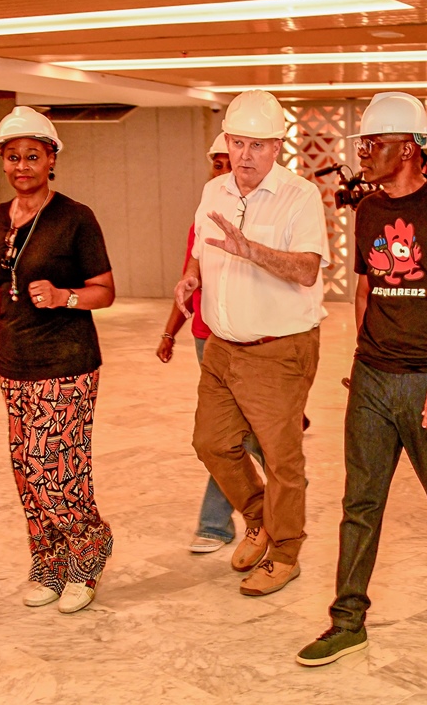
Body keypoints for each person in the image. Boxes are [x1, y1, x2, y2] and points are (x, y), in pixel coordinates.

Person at [296, 92, 427, 667]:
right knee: (360, 499)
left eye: (372, 143)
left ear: (408, 148)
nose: (363, 154)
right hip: (374, 377)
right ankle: (346, 618)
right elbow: (365, 288)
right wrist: (365, 357)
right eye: (363, 144)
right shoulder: (368, 210)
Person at [0, 106, 116, 613]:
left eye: (32, 156)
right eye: (13, 156)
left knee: (55, 470)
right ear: (3, 161)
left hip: (67, 363)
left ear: (51, 158)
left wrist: (64, 297)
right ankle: (49, 562)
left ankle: (89, 549)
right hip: (14, 364)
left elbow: (105, 291)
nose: (22, 166)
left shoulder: (75, 217)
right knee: (26, 472)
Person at [175, 90, 329, 597]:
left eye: (257, 145)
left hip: (278, 349)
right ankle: (261, 517)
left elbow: (307, 269)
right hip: (222, 347)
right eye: (238, 143)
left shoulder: (299, 196)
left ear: (277, 146)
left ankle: (285, 553)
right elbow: (201, 249)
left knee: (282, 459)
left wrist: (253, 251)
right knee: (211, 443)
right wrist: (191, 277)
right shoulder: (213, 191)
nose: (245, 155)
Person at [157, 133, 266, 554]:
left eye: (229, 162)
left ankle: (279, 481)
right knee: (225, 432)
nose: (224, 170)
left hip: (254, 337)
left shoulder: (263, 215)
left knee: (235, 433)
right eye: (217, 164)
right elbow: (189, 278)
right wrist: (170, 331)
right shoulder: (203, 217)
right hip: (209, 336)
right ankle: (220, 520)